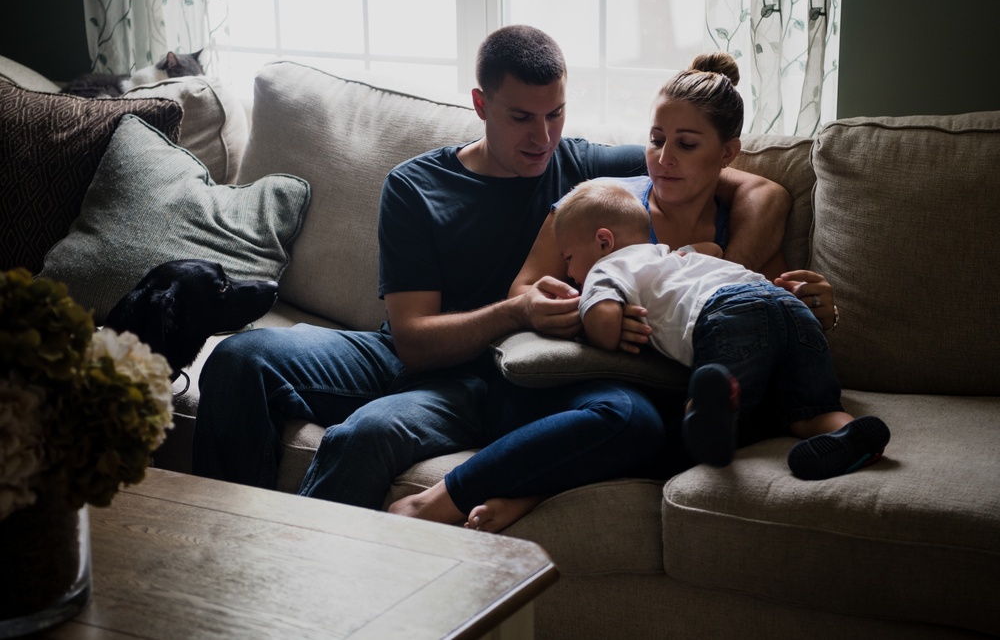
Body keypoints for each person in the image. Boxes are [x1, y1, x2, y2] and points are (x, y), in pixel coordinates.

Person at [193, 27, 790, 514]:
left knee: (366, 436)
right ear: (480, 105)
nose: (543, 137)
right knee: (239, 360)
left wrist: (725, 275)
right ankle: (229, 546)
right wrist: (517, 309)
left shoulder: (582, 166)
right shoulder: (416, 186)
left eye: (555, 114)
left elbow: (761, 191)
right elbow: (413, 342)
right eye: (522, 118)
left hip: (503, 382)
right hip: (407, 355)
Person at [426, 52, 849, 534]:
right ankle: (488, 490)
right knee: (634, 418)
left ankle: (541, 485)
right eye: (655, 140)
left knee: (729, 418)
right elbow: (525, 291)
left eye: (687, 145)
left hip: (684, 392)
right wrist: (589, 316)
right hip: (597, 382)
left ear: (728, 154)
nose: (664, 159)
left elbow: (766, 310)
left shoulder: (743, 226)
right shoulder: (602, 207)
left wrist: (817, 307)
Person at [553, 179, 891, 478]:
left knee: (715, 407)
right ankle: (848, 434)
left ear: (603, 242)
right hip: (790, 306)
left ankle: (714, 420)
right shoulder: (670, 255)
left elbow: (606, 323)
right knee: (812, 412)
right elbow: (712, 249)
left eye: (568, 258)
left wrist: (588, 316)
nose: (569, 274)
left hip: (729, 313)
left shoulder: (605, 269)